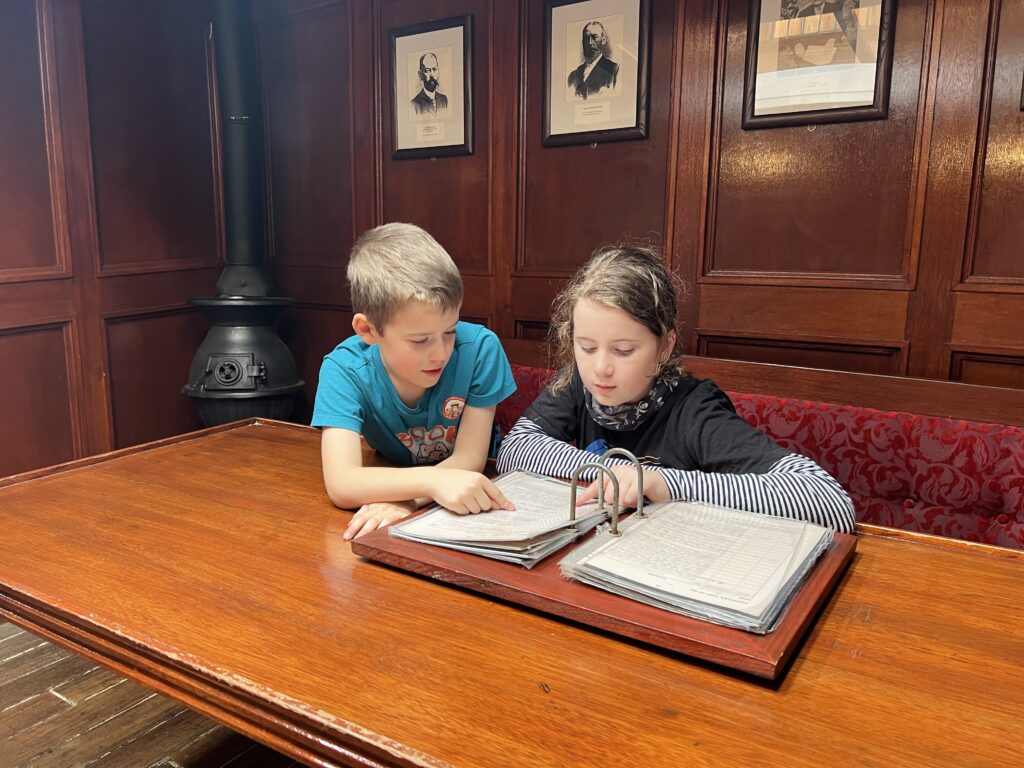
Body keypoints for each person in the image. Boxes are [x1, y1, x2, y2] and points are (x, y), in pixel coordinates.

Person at [496, 244, 856, 533]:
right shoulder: (582, 382)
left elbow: (828, 502)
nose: (600, 367)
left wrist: (663, 483)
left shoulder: (694, 408)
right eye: (586, 347)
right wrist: (612, 475)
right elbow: (516, 449)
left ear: (664, 347)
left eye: (623, 350)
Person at [313, 223, 517, 540]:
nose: (440, 354)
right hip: (427, 490)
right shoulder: (343, 369)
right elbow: (341, 483)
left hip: (466, 500)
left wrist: (408, 500)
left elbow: (470, 458)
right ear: (368, 331)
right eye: (420, 341)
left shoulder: (480, 349)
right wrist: (429, 484)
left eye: (450, 332)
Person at [567, 21, 619, 100]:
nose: (590, 43)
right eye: (586, 39)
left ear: (603, 40)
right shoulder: (573, 76)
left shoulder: (614, 70)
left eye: (595, 37)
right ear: (583, 43)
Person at [410, 52, 448, 117]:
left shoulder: (444, 99)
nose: (432, 75)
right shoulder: (414, 105)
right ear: (420, 75)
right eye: (428, 70)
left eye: (434, 69)